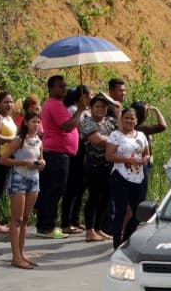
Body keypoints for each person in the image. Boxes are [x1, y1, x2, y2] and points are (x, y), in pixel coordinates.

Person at [37, 75, 88, 239]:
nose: (64, 89)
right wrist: (80, 110)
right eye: (60, 86)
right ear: (51, 88)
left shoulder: (56, 104)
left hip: (59, 154)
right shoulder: (55, 105)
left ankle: (45, 224)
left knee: (53, 190)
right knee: (54, 190)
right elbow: (66, 127)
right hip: (56, 154)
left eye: (65, 86)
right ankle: (47, 226)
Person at [0, 111, 44, 269]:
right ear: (25, 122)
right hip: (19, 178)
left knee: (25, 219)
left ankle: (22, 253)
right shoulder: (19, 140)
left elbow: (40, 158)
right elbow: (4, 159)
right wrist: (25, 162)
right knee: (16, 219)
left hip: (34, 180)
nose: (36, 125)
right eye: (33, 121)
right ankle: (16, 256)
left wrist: (41, 163)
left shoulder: (38, 140)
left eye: (38, 122)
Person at [105, 107, 151, 249]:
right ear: (121, 119)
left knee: (138, 211)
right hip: (121, 175)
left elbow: (147, 153)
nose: (129, 120)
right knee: (121, 210)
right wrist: (126, 159)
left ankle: (126, 239)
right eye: (126, 118)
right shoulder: (115, 135)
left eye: (132, 118)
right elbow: (109, 155)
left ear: (136, 120)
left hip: (139, 175)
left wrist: (144, 159)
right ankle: (117, 243)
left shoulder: (141, 135)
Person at [79, 92, 118, 242]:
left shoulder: (110, 121)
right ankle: (89, 230)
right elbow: (97, 140)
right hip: (94, 165)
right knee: (94, 197)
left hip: (110, 164)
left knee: (107, 198)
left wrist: (117, 110)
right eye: (97, 106)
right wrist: (115, 139)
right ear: (92, 107)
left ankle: (98, 228)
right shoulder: (88, 122)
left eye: (103, 106)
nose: (100, 109)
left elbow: (122, 130)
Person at [61, 84, 92, 235]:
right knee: (72, 188)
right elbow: (79, 127)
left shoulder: (87, 112)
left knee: (81, 188)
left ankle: (75, 219)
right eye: (89, 95)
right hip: (77, 150)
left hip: (86, 150)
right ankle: (66, 221)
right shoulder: (73, 110)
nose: (91, 98)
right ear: (82, 96)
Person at [0, 92, 18, 234]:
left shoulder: (8, 118)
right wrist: (11, 140)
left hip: (6, 156)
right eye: (6, 102)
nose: (9, 104)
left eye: (11, 102)